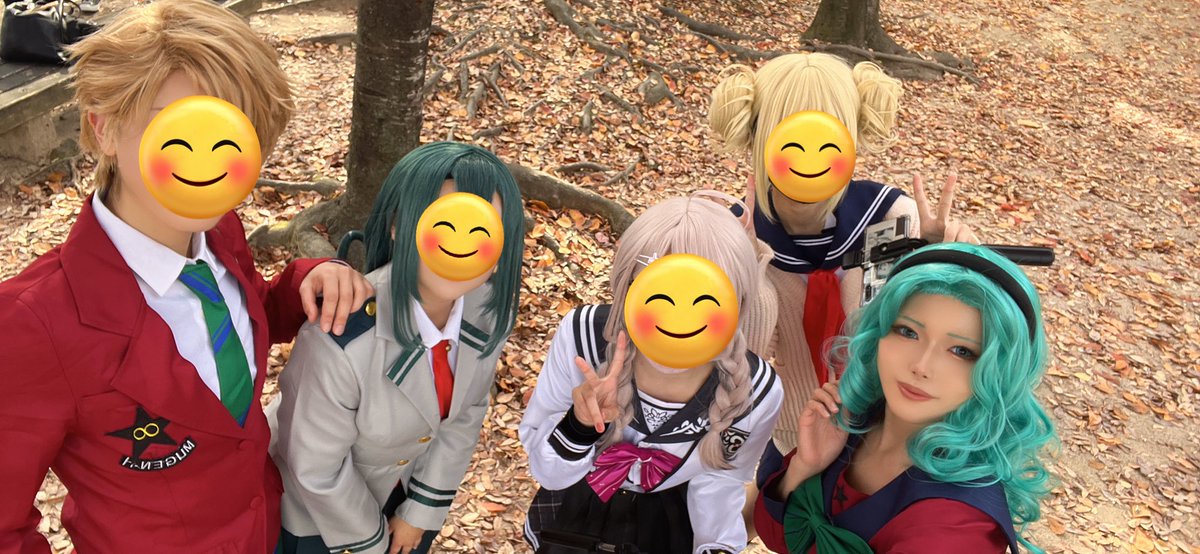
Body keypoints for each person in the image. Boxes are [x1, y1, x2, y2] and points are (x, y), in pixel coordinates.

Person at [0, 1, 372, 552]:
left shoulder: (220, 232)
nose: (207, 162)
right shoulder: (31, 323)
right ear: (104, 129)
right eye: (177, 128)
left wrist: (305, 282)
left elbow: (240, 317)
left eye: (229, 134)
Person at [709, 52, 979, 456]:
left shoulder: (894, 220)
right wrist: (747, 274)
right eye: (790, 133)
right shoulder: (736, 235)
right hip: (784, 430)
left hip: (884, 430)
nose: (810, 153)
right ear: (757, 134)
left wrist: (940, 264)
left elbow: (944, 339)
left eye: (828, 133)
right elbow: (737, 364)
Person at [270, 142, 526, 554]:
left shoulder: (487, 314)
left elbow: (466, 412)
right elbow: (316, 468)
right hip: (321, 519)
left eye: (483, 229)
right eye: (443, 223)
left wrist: (419, 512)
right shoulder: (342, 335)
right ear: (396, 226)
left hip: (402, 499)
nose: (459, 244)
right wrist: (372, 544)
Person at [520, 192, 785, 554]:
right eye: (660, 296)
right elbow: (548, 471)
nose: (678, 318)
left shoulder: (756, 389)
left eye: (703, 299)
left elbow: (719, 482)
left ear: (737, 301)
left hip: (671, 522)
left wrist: (717, 546)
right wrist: (578, 426)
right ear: (627, 287)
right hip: (573, 512)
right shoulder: (584, 337)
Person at [753, 242, 1056, 553]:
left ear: (999, 372)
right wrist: (804, 467)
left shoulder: (956, 527)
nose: (921, 366)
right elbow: (777, 534)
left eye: (961, 351)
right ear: (877, 333)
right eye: (908, 332)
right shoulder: (853, 424)